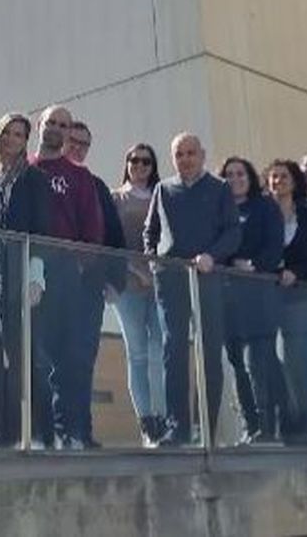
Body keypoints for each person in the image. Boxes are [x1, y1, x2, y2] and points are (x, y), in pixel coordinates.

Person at [144, 133, 240, 447]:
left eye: (190, 153)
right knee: (173, 351)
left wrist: (213, 255)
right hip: (170, 279)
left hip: (207, 279)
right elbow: (151, 231)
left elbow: (232, 232)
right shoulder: (163, 188)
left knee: (209, 352)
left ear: (202, 154)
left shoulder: (219, 189)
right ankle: (177, 428)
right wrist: (153, 261)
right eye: (179, 154)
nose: (185, 159)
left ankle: (205, 429)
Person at [0, 113, 53, 449]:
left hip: (17, 269)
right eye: (7, 132)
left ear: (25, 141)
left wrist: (36, 275)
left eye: (19, 134)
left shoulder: (33, 178)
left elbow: (41, 230)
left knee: (21, 354)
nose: (12, 139)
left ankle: (37, 430)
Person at [29, 105, 105, 449]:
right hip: (25, 268)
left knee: (65, 357)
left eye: (64, 124)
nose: (56, 128)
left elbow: (93, 231)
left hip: (64, 273)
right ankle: (36, 431)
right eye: (52, 122)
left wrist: (78, 264)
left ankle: (66, 431)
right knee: (31, 354)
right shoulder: (22, 167)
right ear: (39, 125)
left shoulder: (78, 176)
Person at [60, 120, 128, 449]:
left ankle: (81, 431)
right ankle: (57, 430)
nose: (78, 148)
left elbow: (114, 234)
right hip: (54, 284)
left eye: (84, 144)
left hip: (89, 287)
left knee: (84, 358)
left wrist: (114, 281)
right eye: (73, 141)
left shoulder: (96, 185)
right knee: (53, 359)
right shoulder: (46, 177)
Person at [220, 157, 288, 444]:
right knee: (237, 361)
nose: (235, 178)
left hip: (258, 296)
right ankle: (250, 425)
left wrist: (254, 265)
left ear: (250, 177)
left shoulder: (265, 207)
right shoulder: (218, 209)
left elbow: (274, 247)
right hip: (226, 297)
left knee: (258, 361)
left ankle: (267, 425)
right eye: (229, 174)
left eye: (241, 173)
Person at [266, 159, 307, 443]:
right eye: (273, 177)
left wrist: (298, 273)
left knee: (295, 360)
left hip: (298, 298)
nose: (277, 181)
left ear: (294, 181)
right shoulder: (262, 213)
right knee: (268, 360)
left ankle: (301, 428)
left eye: (283, 176)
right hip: (265, 295)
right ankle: (276, 426)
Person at [112, 143, 166, 446]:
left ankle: (161, 416)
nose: (140, 165)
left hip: (160, 285)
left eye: (146, 161)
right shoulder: (115, 197)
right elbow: (111, 242)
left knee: (159, 351)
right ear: (127, 163)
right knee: (137, 353)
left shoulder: (163, 196)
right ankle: (146, 421)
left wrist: (154, 272)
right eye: (134, 160)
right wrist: (136, 271)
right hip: (128, 285)